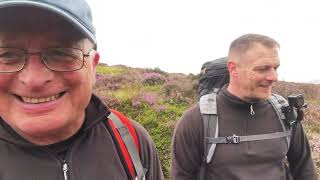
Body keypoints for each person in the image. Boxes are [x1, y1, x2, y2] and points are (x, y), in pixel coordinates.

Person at [0, 0, 164, 179]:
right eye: (8, 55)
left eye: (60, 53)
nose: (34, 80)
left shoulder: (131, 139)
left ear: (93, 67)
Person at [171, 33, 317, 180]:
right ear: (233, 69)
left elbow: (304, 168)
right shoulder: (195, 120)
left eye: (275, 68)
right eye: (262, 69)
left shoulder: (284, 113)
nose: (274, 77)